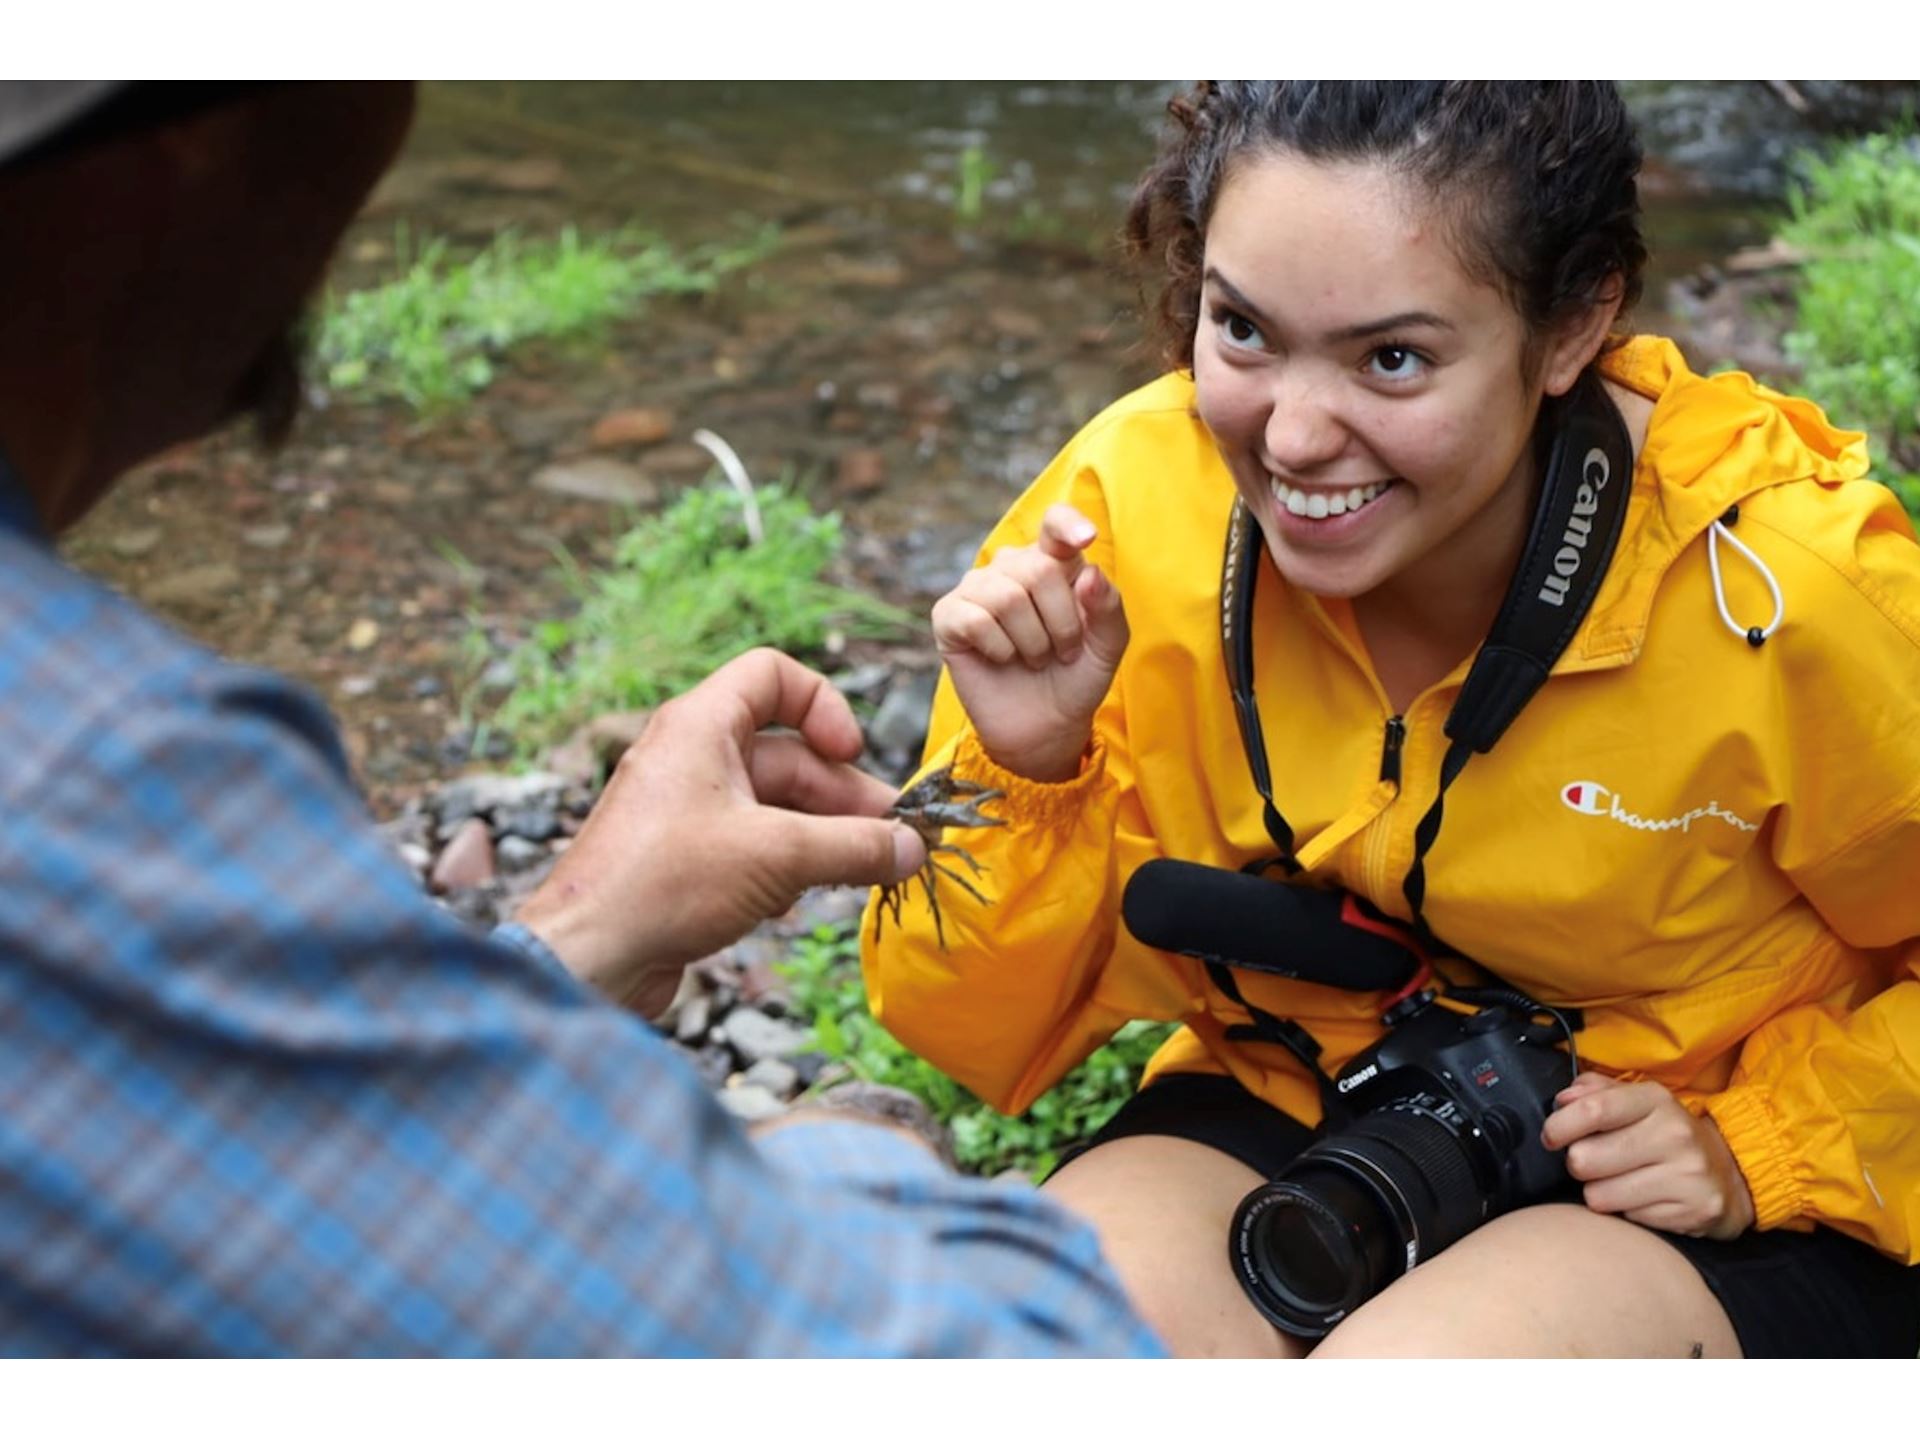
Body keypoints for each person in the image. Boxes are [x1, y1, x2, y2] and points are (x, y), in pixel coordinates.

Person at [0, 80, 1164, 1357]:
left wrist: (574, 937)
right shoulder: (90, 778)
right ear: (192, 133)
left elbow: (199, 1149)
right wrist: (844, 1157)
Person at [862, 81, 1920, 1358]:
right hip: (1309, 1085)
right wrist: (1029, 772)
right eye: (1244, 331)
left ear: (1574, 325)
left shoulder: (1786, 596)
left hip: (1684, 1154)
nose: (1295, 439)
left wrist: (1764, 1146)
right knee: (1036, 1345)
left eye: (1393, 358)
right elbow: (957, 1020)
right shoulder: (1128, 504)